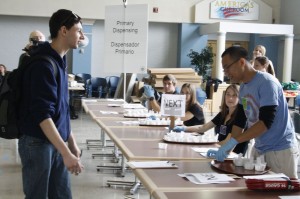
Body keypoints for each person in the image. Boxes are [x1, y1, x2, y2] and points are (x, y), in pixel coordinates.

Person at [18, 9, 84, 198]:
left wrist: (71, 143)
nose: (82, 36)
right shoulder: (43, 65)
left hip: (55, 141)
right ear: (63, 30)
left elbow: (61, 110)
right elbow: (43, 115)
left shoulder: (59, 61)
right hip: (37, 143)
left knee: (62, 195)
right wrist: (65, 152)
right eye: (78, 30)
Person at [207, 46, 299, 179]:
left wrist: (234, 141)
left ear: (242, 62)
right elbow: (240, 120)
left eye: (227, 67)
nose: (225, 72)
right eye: (224, 69)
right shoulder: (244, 87)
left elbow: (265, 123)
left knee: (280, 192)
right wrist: (227, 149)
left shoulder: (267, 83)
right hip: (260, 147)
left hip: (280, 149)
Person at [173, 84, 248, 155]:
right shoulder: (223, 114)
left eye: (234, 95)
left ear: (240, 98)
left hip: (232, 156)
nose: (230, 98)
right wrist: (184, 128)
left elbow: (227, 141)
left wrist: (206, 146)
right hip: (218, 150)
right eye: (228, 94)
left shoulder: (240, 116)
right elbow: (203, 127)